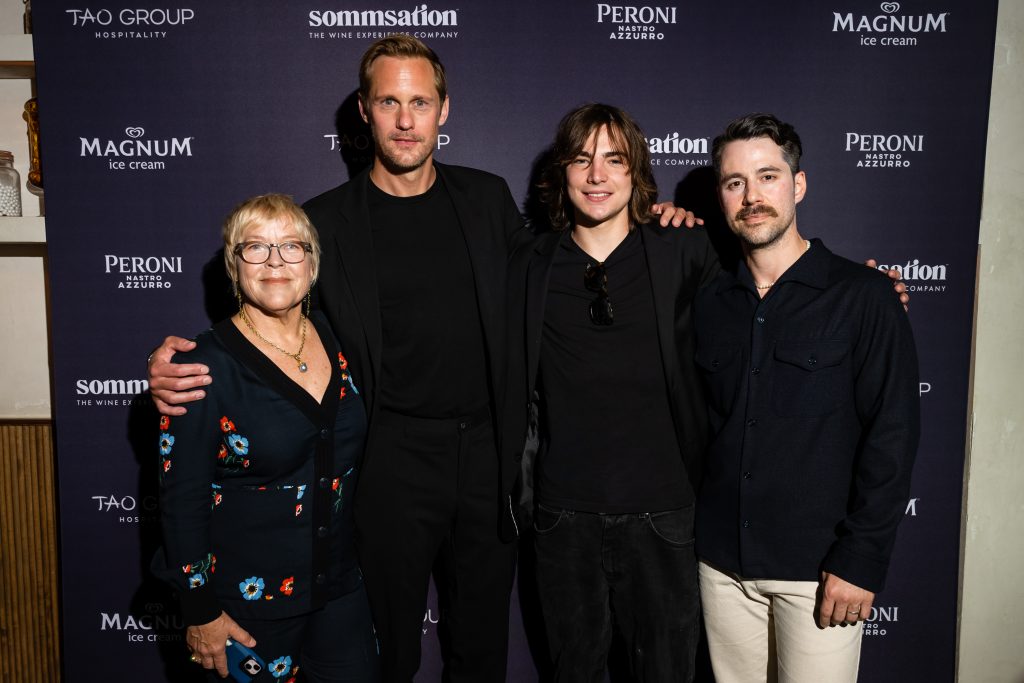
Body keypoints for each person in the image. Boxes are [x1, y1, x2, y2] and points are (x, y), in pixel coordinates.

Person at [148, 37, 695, 682]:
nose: (406, 120)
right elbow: (272, 302)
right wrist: (184, 359)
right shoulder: (326, 221)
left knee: (480, 649)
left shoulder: (487, 200)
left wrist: (656, 220)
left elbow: (568, 262)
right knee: (390, 654)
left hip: (487, 460)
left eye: (420, 102)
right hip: (388, 462)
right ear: (364, 111)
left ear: (444, 110)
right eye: (389, 102)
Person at [693, 113, 920, 683]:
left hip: (819, 573)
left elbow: (892, 435)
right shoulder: (708, 301)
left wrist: (860, 560)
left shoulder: (864, 296)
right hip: (720, 566)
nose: (752, 197)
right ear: (721, 197)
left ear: (798, 185)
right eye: (734, 182)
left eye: (768, 177)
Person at [503, 103, 719, 682]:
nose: (597, 175)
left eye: (613, 159)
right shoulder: (528, 263)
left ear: (635, 173)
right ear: (562, 174)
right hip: (562, 518)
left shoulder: (685, 250)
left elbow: (768, 298)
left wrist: (866, 291)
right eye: (581, 159)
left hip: (665, 514)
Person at [155, 193, 379, 682]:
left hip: (339, 592)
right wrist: (200, 610)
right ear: (235, 266)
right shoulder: (200, 367)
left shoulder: (336, 334)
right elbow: (182, 498)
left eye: (292, 247)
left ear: (312, 264)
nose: (275, 261)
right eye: (255, 247)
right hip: (246, 610)